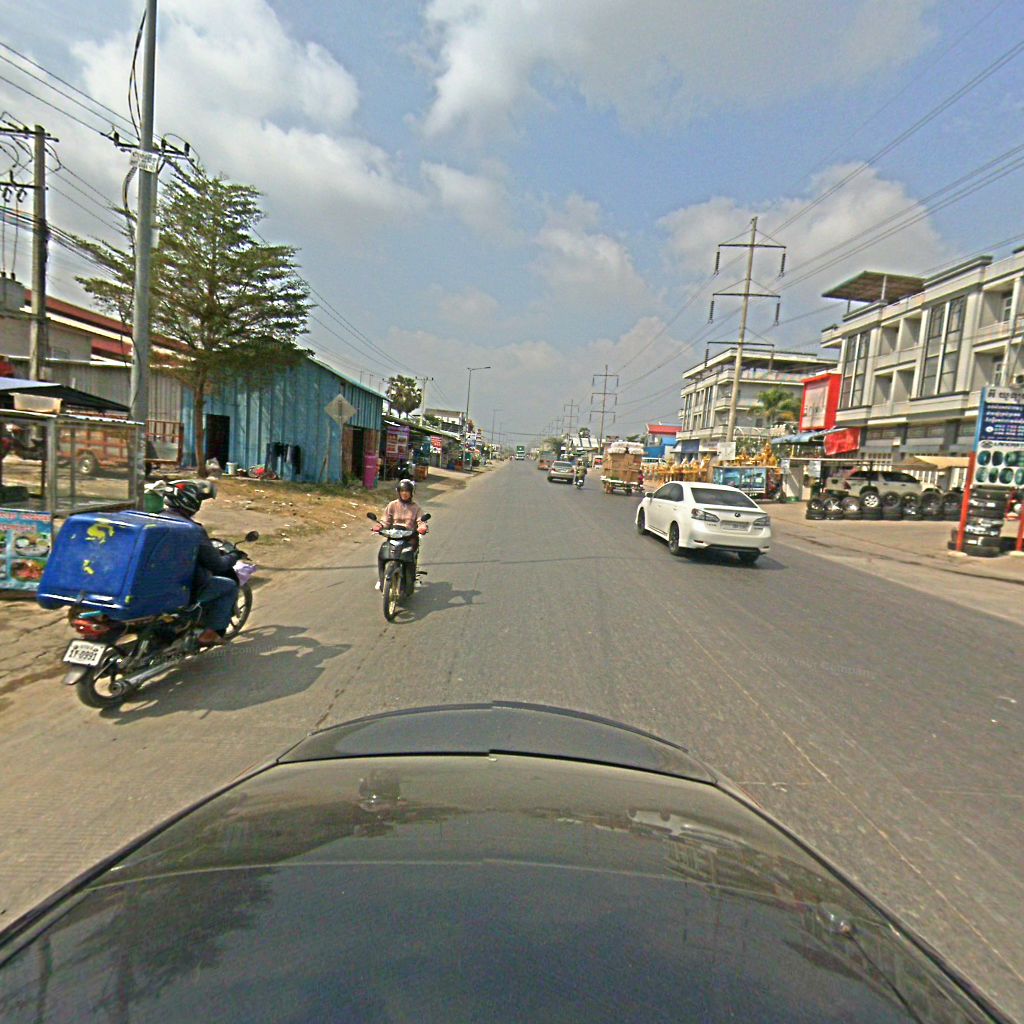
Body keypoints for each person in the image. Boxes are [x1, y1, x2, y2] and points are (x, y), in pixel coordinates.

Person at [162, 480, 240, 646]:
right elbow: (217, 565)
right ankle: (210, 634)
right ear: (190, 501)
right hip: (182, 589)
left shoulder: (153, 520)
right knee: (229, 586)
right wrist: (233, 556)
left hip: (150, 585)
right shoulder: (192, 530)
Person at [372, 478, 428, 590]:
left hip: (410, 536)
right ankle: (381, 578)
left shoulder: (416, 508)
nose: (404, 493)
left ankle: (412, 578)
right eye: (402, 491)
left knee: (410, 556)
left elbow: (421, 521)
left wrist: (422, 527)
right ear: (398, 492)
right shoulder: (392, 505)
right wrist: (379, 526)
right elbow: (385, 520)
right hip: (394, 535)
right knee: (382, 556)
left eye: (407, 491)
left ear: (411, 493)